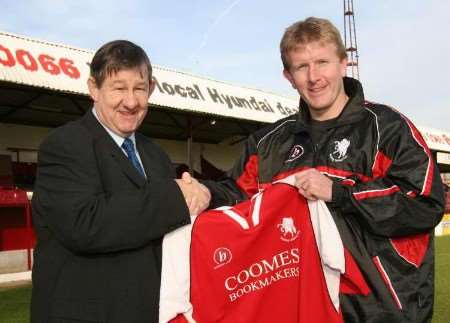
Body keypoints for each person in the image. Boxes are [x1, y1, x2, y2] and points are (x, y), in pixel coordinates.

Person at [189, 17, 445, 322]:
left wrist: (339, 193)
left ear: (342, 63)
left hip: (380, 312)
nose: (314, 77)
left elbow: (424, 204)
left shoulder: (388, 129)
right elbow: (238, 196)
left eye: (322, 62)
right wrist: (206, 192)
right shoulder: (268, 144)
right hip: (300, 307)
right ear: (288, 76)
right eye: (301, 67)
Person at [31, 40, 209, 323]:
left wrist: (202, 192)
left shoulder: (156, 155)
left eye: (139, 88)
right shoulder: (65, 144)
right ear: (93, 89)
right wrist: (175, 196)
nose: (131, 101)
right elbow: (85, 224)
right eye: (118, 88)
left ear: (151, 88)